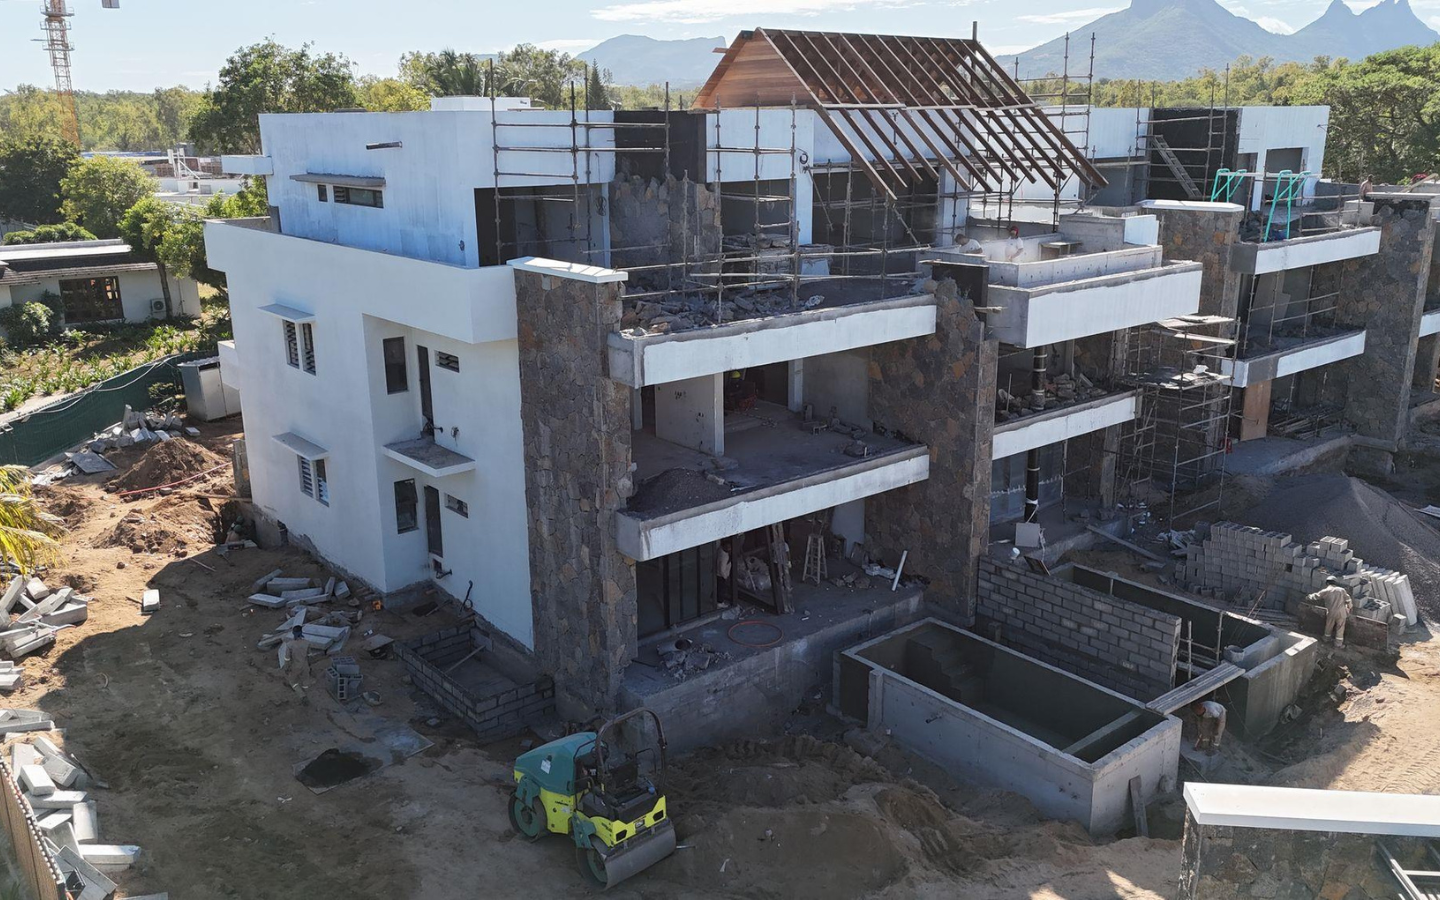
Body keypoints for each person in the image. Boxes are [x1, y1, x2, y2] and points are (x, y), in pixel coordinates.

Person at [1310, 575, 1353, 648]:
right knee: (1340, 628)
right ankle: (1338, 644)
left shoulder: (1325, 591)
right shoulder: (1341, 590)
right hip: (1341, 613)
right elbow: (1348, 600)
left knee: (1328, 626)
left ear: (1327, 583)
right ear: (1335, 583)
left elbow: (1316, 596)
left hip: (1331, 612)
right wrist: (1349, 607)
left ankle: (1326, 639)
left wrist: (1308, 597)